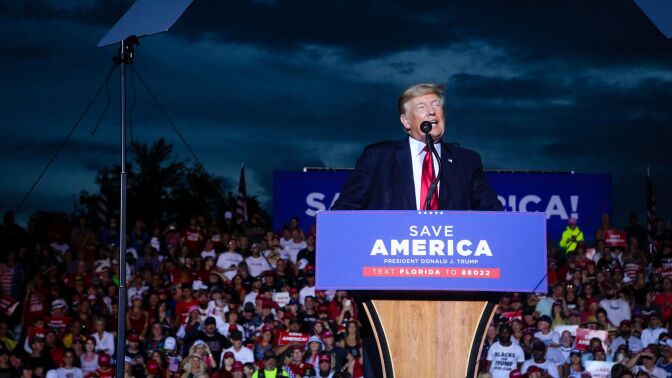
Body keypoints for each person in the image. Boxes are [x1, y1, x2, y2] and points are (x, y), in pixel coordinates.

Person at [332, 83, 502, 212]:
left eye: (436, 105)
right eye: (422, 107)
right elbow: (346, 209)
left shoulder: (467, 161)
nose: (432, 112)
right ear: (406, 121)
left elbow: (493, 212)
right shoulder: (378, 157)